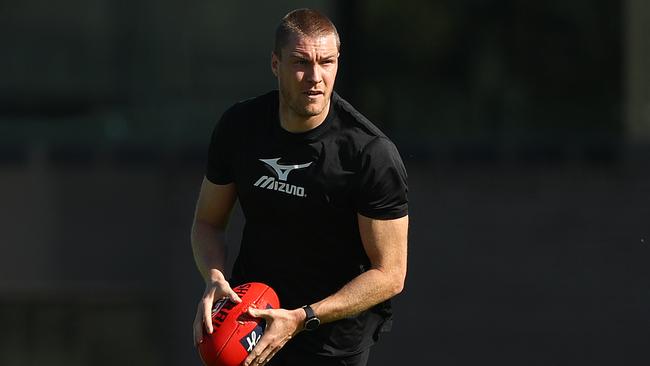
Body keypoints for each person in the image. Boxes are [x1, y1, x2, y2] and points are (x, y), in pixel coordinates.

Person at [191, 8, 409, 366]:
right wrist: (213, 276)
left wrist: (301, 317)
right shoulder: (240, 127)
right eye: (301, 62)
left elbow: (390, 274)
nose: (315, 77)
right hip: (252, 328)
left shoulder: (369, 153)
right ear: (275, 64)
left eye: (326, 62)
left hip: (331, 344)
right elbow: (207, 223)